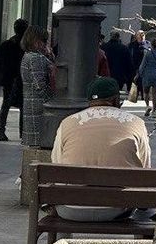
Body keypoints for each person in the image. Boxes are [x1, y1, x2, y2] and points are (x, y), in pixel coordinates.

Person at [51, 76, 150, 221]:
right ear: (116, 100)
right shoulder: (136, 122)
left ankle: (60, 242)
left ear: (90, 101)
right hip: (117, 208)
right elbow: (145, 169)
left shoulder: (67, 123)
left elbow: (57, 164)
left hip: (71, 208)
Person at [20, 25, 53, 149]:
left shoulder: (27, 56)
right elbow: (40, 85)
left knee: (34, 146)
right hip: (39, 107)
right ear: (37, 41)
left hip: (31, 105)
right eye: (44, 41)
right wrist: (52, 99)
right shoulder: (36, 58)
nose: (45, 44)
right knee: (39, 145)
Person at [0, 19, 27, 142]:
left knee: (6, 106)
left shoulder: (6, 45)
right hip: (20, 79)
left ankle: (1, 131)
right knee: (22, 107)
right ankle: (23, 133)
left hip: (9, 79)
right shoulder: (25, 47)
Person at [137, 37, 156, 118]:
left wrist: (139, 73)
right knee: (155, 93)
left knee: (146, 92)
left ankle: (147, 106)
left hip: (147, 75)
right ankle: (154, 110)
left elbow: (142, 65)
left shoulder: (148, 54)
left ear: (152, 46)